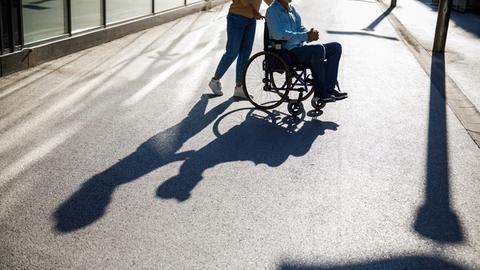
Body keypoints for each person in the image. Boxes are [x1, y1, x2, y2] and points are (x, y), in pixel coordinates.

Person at [265, 0, 347, 103]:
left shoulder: (292, 9)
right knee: (318, 49)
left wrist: (309, 35)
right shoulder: (272, 11)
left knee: (336, 47)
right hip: (286, 53)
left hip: (299, 49)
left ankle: (329, 88)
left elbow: (300, 28)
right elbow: (278, 34)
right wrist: (305, 36)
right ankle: (321, 92)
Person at [209, 0, 273, 99]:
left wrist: (283, 5)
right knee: (232, 52)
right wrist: (255, 12)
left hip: (251, 20)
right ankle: (215, 80)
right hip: (237, 17)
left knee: (245, 53)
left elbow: (271, 2)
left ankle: (239, 87)